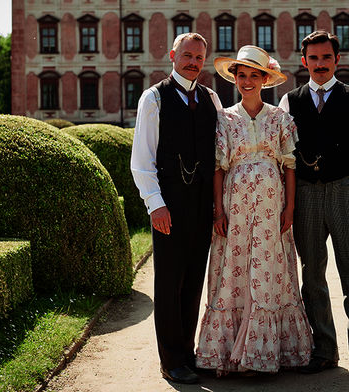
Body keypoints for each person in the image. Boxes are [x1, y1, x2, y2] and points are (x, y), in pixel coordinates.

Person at [195, 45, 313, 375]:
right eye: (242, 75)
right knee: (233, 268)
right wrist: (218, 211)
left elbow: (290, 165)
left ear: (265, 79)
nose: (247, 81)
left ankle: (265, 353)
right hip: (234, 208)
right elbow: (219, 167)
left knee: (269, 270)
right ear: (235, 79)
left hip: (270, 209)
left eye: (254, 76)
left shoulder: (280, 118)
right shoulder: (224, 119)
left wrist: (289, 208)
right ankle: (230, 353)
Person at [278, 30, 349, 382]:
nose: (320, 64)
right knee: (312, 276)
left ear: (337, 60)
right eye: (313, 58)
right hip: (306, 195)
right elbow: (283, 157)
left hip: (345, 191)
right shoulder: (288, 102)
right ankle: (323, 350)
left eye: (326, 58)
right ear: (304, 61)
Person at [131, 32, 222, 385]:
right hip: (168, 203)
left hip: (201, 203)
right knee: (169, 282)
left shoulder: (211, 98)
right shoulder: (154, 98)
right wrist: (155, 205)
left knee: (194, 280)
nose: (193, 62)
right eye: (187, 55)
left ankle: (187, 352)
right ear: (173, 54)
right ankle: (170, 360)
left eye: (199, 57)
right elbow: (141, 160)